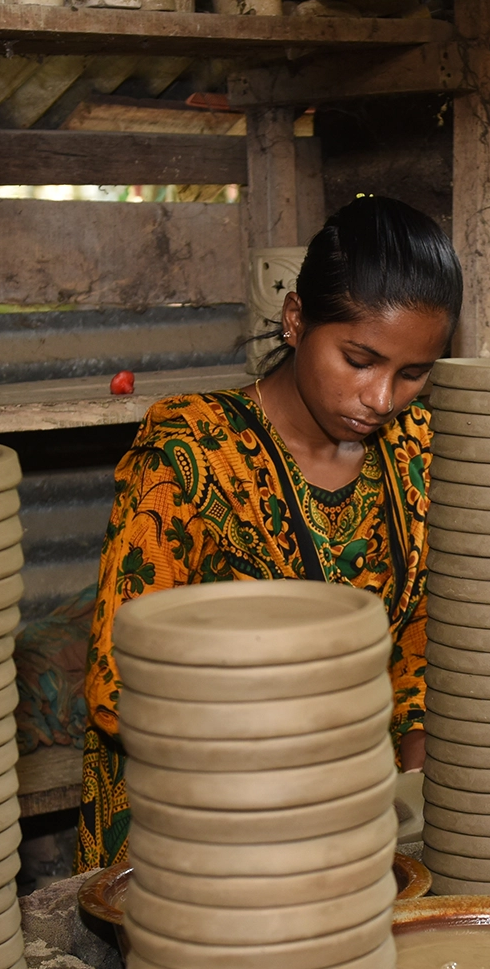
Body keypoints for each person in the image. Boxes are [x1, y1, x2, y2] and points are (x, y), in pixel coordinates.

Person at [77, 195, 459, 872]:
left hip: (353, 828)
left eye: (412, 374)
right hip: (188, 840)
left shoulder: (415, 452)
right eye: (359, 358)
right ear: (294, 320)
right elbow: (119, 682)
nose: (381, 398)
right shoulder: (192, 451)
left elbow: (422, 644)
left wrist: (414, 793)